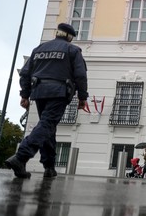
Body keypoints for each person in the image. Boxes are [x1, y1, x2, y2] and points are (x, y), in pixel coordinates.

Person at [5, 23, 88, 179]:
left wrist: (25, 95)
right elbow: (80, 75)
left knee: (48, 127)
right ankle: (21, 157)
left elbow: (25, 74)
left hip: (39, 92)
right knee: (47, 124)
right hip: (59, 92)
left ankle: (49, 167)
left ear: (57, 33)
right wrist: (83, 97)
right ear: (69, 37)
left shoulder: (39, 49)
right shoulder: (72, 50)